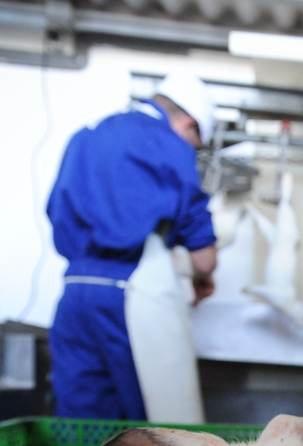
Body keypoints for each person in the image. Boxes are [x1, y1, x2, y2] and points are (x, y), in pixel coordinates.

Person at [47, 72, 217, 423]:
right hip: (131, 297)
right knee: (148, 426)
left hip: (75, 292)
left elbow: (55, 209)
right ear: (188, 124)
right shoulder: (171, 146)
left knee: (80, 419)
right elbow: (205, 256)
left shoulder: (86, 136)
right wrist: (202, 275)